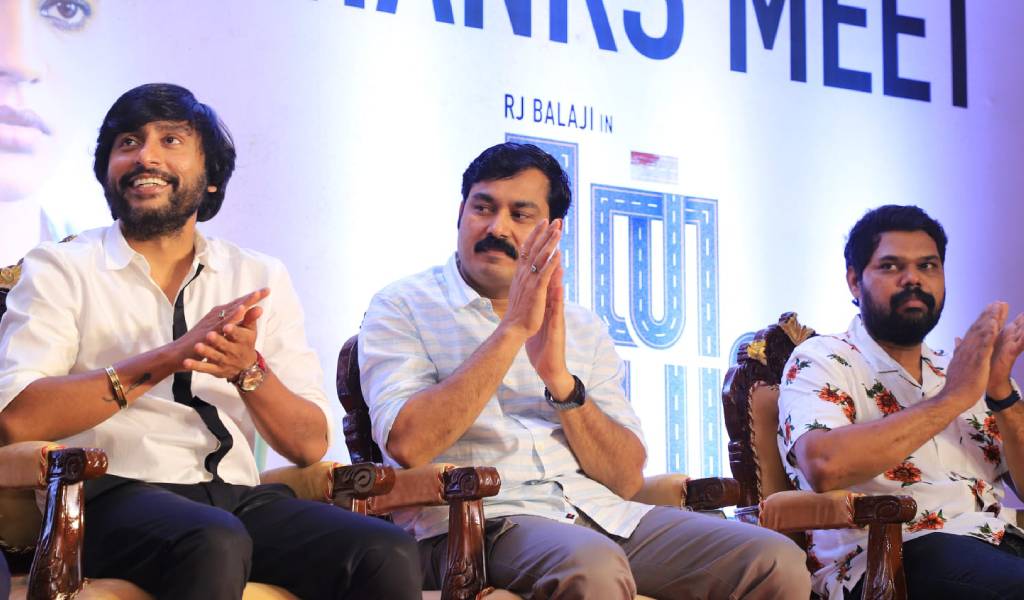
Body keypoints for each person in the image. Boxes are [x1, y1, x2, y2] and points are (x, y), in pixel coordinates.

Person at [0, 83, 420, 599]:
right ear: (108, 172)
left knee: (385, 550)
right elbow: (18, 418)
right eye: (128, 142)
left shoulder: (258, 275)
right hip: (105, 498)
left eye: (170, 140)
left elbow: (309, 443)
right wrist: (169, 357)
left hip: (237, 497)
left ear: (212, 178)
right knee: (213, 540)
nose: (145, 156)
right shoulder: (61, 267)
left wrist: (249, 371)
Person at [359, 142, 810, 599]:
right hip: (479, 524)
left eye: (520, 214)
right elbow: (408, 444)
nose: (496, 228)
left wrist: (561, 383)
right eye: (483, 208)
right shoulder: (403, 306)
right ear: (461, 213)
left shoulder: (580, 325)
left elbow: (625, 478)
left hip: (599, 514)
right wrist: (512, 330)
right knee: (592, 566)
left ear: (553, 231)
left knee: (773, 560)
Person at [777, 204, 1024, 599]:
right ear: (855, 281)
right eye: (891, 266)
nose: (913, 279)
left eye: (928, 266)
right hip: (894, 559)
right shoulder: (822, 360)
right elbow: (824, 465)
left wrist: (1001, 394)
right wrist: (952, 399)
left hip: (1000, 542)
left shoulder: (964, 369)